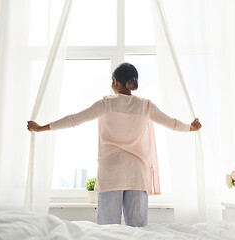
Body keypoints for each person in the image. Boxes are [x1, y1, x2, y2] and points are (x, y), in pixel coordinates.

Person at [27, 62, 202, 227]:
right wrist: (191, 128)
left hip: (111, 172)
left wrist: (41, 128)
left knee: (107, 230)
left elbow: (74, 119)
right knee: (138, 231)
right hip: (136, 173)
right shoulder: (145, 106)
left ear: (115, 81)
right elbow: (171, 123)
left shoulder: (106, 104)